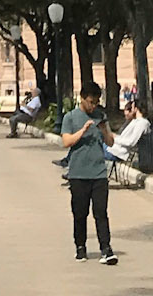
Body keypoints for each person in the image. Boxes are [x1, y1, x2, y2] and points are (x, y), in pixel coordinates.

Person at [61, 81, 118, 266]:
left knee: (101, 212)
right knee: (80, 213)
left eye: (96, 102)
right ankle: (80, 247)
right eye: (91, 102)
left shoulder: (101, 117)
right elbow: (66, 141)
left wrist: (104, 130)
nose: (93, 106)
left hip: (99, 173)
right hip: (78, 174)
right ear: (82, 98)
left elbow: (110, 142)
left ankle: (106, 249)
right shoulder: (70, 117)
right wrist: (83, 130)